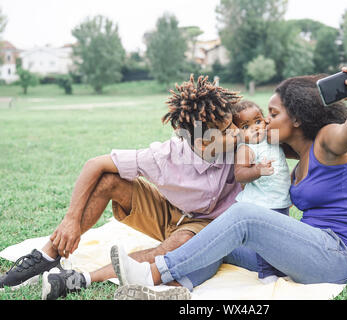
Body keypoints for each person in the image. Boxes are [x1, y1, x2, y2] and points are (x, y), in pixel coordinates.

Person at [110, 63, 347, 300]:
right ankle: (175, 288)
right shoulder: (291, 154)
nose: (266, 121)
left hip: (342, 256)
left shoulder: (328, 141)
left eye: (273, 114)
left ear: (296, 117)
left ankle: (152, 274)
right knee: (217, 238)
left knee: (244, 215)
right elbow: (239, 147)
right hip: (313, 252)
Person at [0, 75, 243, 300]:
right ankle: (46, 257)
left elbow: (277, 137)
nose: (236, 131)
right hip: (169, 212)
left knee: (178, 245)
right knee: (109, 180)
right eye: (226, 130)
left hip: (204, 227)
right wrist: (70, 220)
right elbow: (95, 164)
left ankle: (81, 278)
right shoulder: (164, 156)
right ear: (201, 141)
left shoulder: (241, 146)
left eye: (233, 124)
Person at [231, 100, 292, 283]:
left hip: (279, 200)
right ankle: (266, 272)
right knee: (265, 240)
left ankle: (281, 267)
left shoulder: (272, 138)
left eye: (258, 121)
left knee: (281, 237)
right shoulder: (246, 149)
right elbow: (240, 174)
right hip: (261, 203)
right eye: (246, 126)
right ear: (238, 133)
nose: (255, 128)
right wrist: (257, 170)